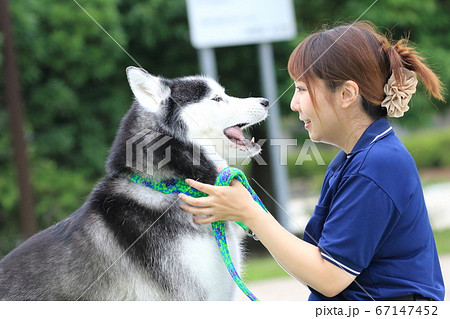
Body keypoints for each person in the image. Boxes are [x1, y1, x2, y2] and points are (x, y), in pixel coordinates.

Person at [179, 21, 445, 301]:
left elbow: (328, 277)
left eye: (302, 89)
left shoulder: (377, 165)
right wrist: (246, 208)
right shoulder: (356, 159)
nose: (294, 104)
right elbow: (313, 263)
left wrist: (250, 213)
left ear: (346, 94)